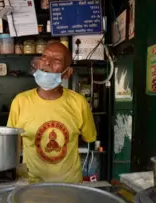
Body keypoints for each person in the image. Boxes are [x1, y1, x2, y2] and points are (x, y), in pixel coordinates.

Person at [7, 42, 97, 183]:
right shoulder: (20, 101)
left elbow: (88, 137)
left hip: (69, 185)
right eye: (44, 56)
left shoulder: (79, 103)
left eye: (57, 60)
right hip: (31, 184)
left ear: (67, 73)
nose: (47, 63)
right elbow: (13, 144)